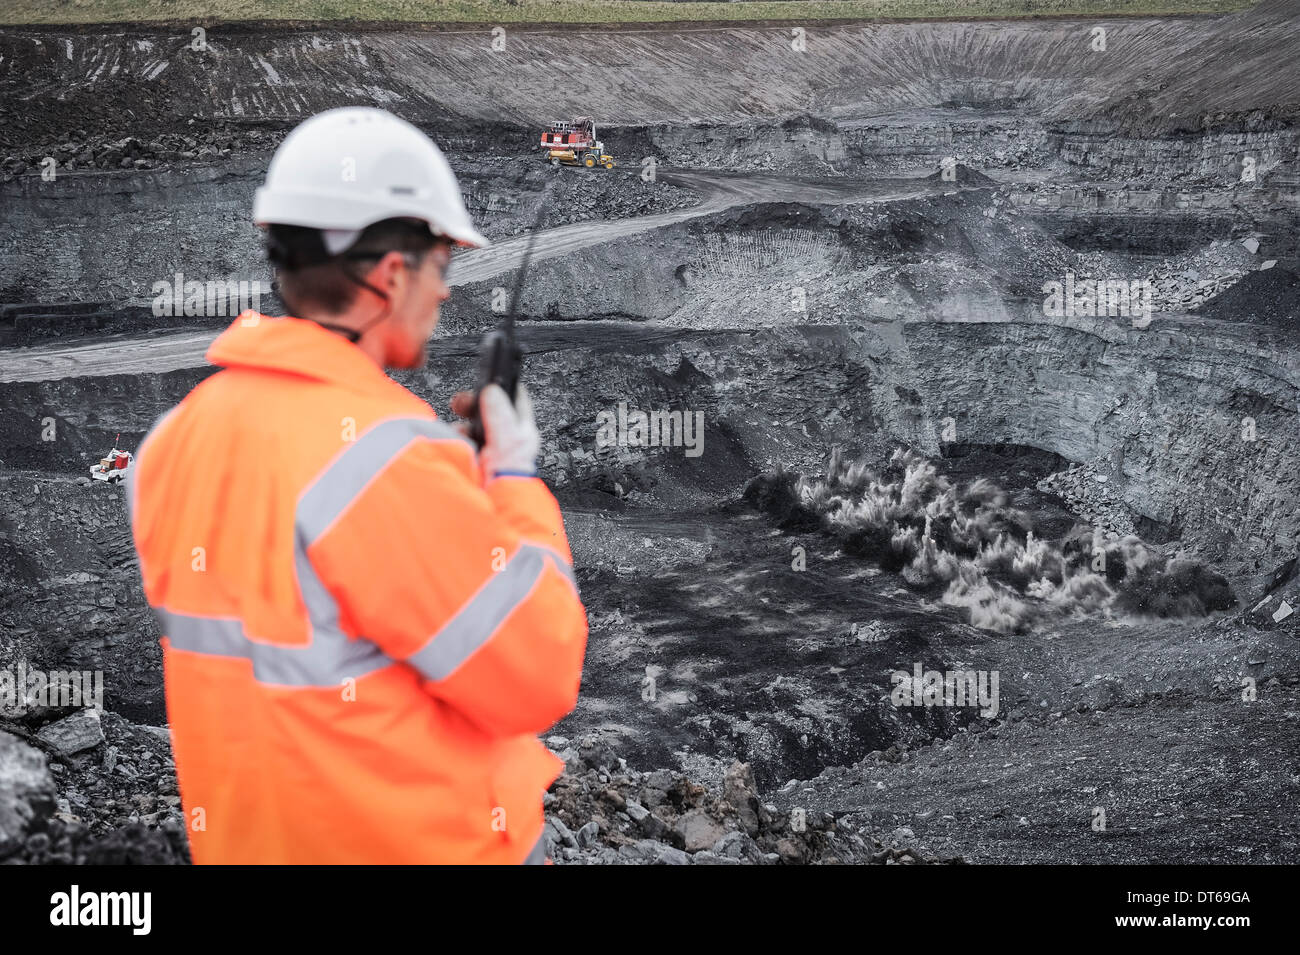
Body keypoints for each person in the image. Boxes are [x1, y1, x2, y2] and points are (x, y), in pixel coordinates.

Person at [127, 107, 588, 864]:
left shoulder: (170, 443)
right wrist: (511, 478)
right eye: (442, 265)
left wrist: (454, 498)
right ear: (391, 273)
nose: (444, 293)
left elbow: (321, 614)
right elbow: (537, 675)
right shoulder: (382, 457)